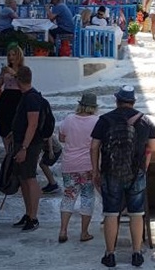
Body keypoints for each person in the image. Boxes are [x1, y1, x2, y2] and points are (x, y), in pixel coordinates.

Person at [91, 85, 155, 268]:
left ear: (117, 100)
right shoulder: (144, 120)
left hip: (111, 171)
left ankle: (110, 254)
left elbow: (94, 147)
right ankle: (136, 253)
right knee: (137, 213)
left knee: (111, 213)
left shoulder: (104, 120)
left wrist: (95, 171)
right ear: (133, 102)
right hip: (136, 171)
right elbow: (154, 147)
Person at [56, 93, 101, 244]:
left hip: (69, 164)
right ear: (93, 107)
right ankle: (84, 232)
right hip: (88, 164)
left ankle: (63, 230)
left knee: (68, 196)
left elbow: (61, 137)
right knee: (87, 197)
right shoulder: (96, 121)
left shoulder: (69, 119)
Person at [10, 66, 47, 231]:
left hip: (30, 145)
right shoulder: (27, 96)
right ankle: (28, 213)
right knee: (23, 178)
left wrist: (24, 147)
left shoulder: (31, 98)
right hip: (23, 143)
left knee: (30, 178)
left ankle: (33, 217)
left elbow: (32, 124)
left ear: (19, 79)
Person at [0, 44, 25, 150]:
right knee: (4, 123)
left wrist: (13, 73)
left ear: (18, 56)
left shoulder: (23, 69)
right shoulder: (6, 69)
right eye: (9, 55)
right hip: (6, 97)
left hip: (18, 97)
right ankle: (8, 150)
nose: (11, 57)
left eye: (13, 54)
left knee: (16, 123)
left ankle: (17, 148)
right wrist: (2, 74)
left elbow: (24, 84)